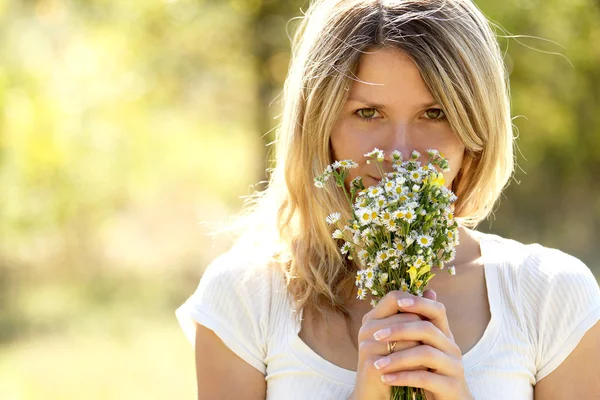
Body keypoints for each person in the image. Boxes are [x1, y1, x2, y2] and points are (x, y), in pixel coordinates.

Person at [176, 0, 600, 399]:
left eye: (434, 114)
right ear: (319, 125)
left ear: (477, 126)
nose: (399, 154)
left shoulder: (551, 295)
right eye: (368, 113)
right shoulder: (246, 297)